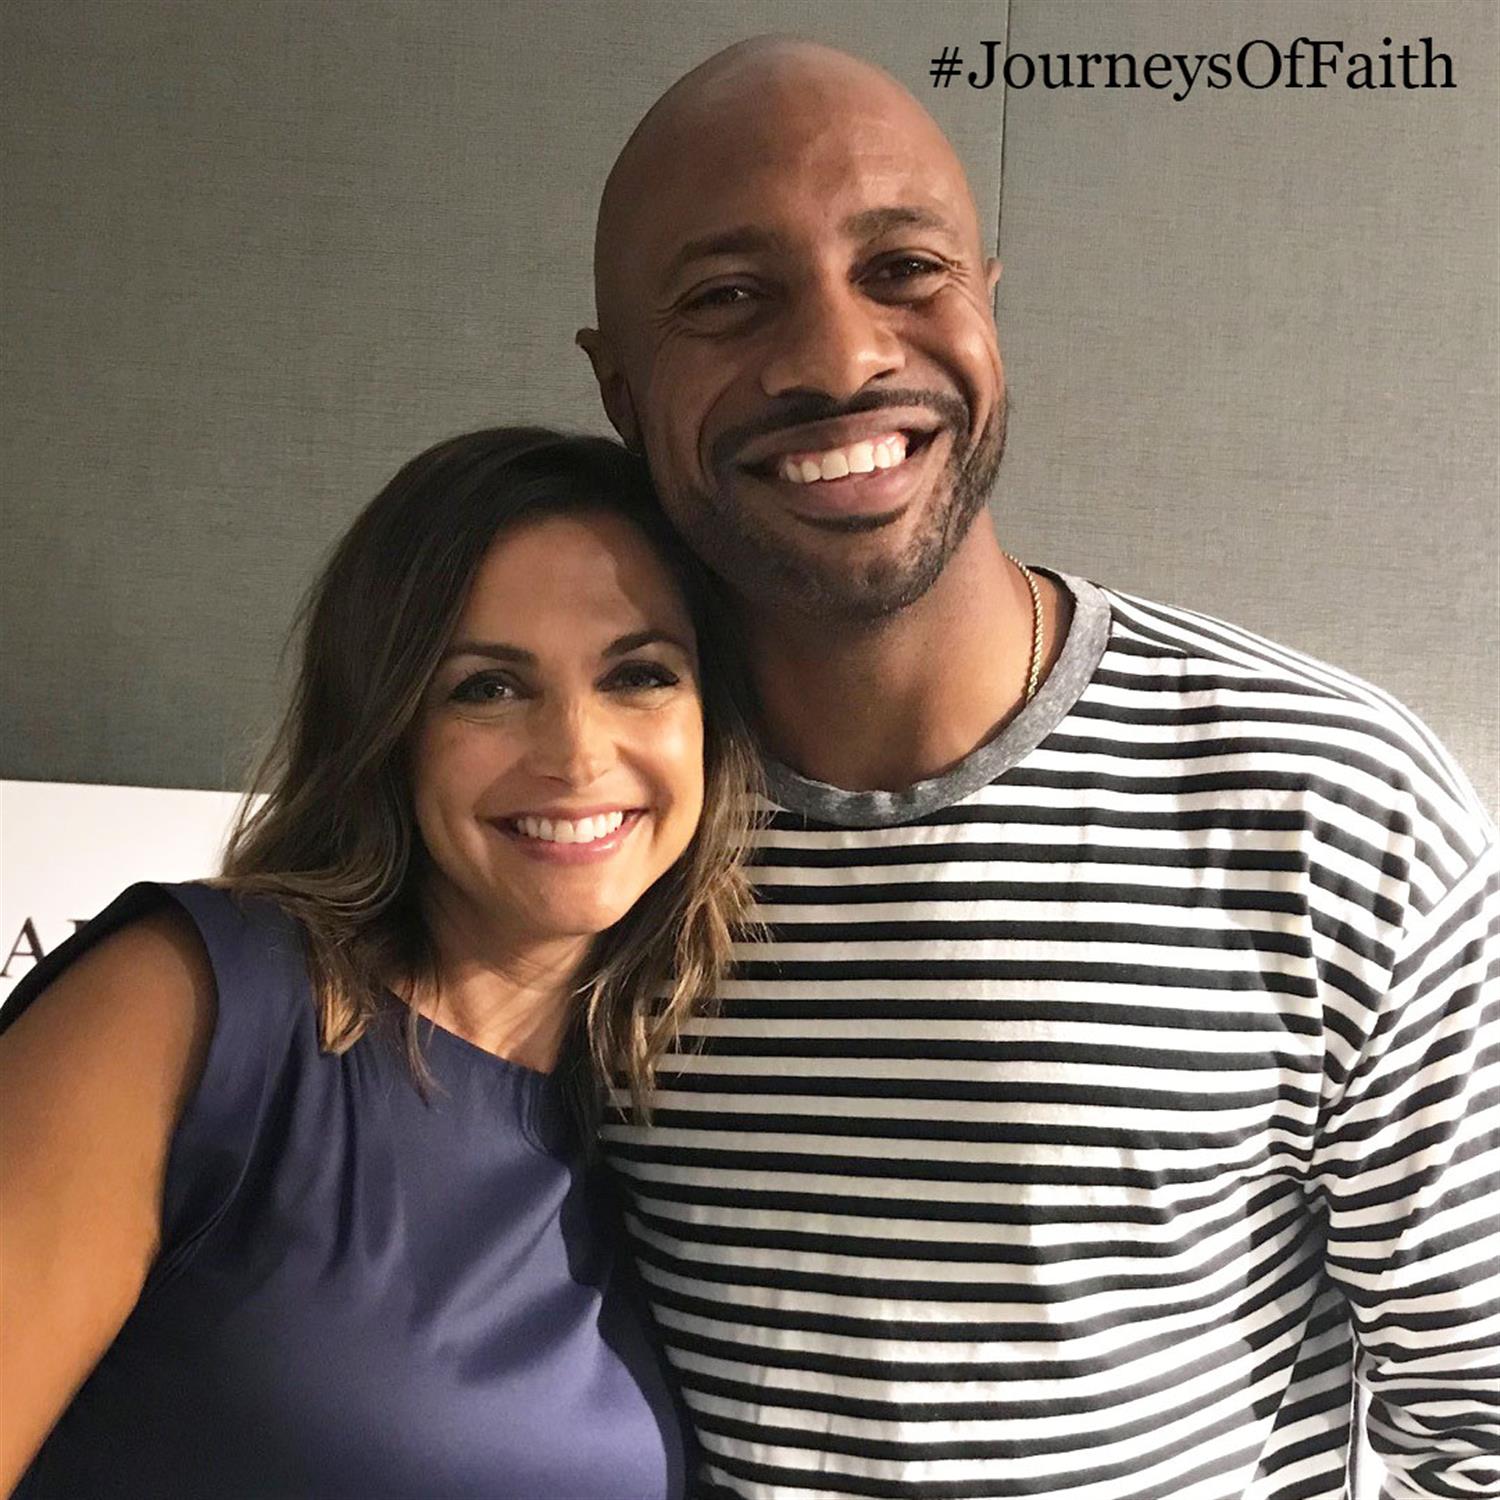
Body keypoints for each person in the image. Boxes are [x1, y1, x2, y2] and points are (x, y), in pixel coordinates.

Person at [575, 38, 1499, 1500]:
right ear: (622, 392)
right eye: (728, 296)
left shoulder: (1328, 807)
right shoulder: (581, 830)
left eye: (904, 269)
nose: (839, 360)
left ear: (988, 306)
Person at [0, 427, 761, 1498]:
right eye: (487, 689)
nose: (578, 754)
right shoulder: (197, 1007)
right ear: (387, 725)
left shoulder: (671, 1113)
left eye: (639, 675)